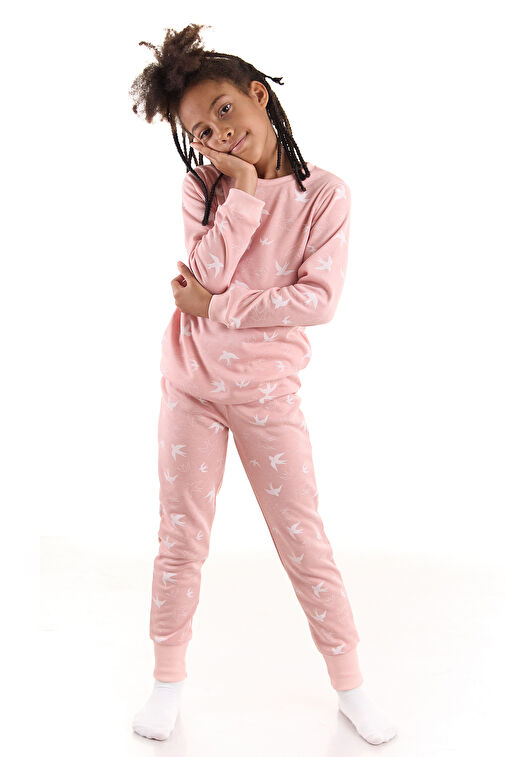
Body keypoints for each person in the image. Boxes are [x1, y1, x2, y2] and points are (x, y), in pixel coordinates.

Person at [128, 23, 397, 746]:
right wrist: (241, 190)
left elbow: (317, 300)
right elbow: (208, 270)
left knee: (302, 538)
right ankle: (166, 682)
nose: (219, 133)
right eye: (200, 130)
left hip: (267, 394)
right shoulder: (203, 188)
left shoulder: (324, 195)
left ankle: (350, 685)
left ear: (258, 96)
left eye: (224, 110)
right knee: (180, 537)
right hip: (190, 388)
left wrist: (218, 308)